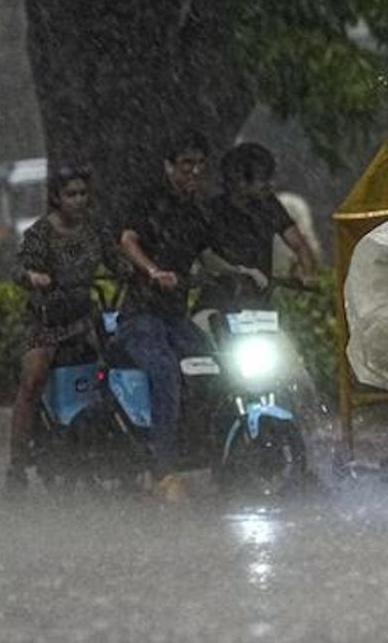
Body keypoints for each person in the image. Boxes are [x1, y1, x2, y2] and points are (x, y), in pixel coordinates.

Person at [117, 130, 266, 502]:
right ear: (169, 167)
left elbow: (206, 255)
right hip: (141, 316)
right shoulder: (149, 201)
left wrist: (241, 272)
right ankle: (163, 470)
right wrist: (153, 271)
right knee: (165, 370)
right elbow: (127, 241)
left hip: (175, 317)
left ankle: (219, 457)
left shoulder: (197, 212)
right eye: (186, 165)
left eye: (200, 165)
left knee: (216, 365)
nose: (194, 172)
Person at [4, 165, 125, 495]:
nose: (78, 200)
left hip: (86, 318)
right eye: (71, 194)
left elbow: (118, 262)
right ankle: (16, 466)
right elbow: (20, 267)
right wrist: (33, 277)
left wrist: (140, 272)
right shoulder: (41, 233)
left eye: (83, 194)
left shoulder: (95, 230)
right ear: (56, 198)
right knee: (32, 379)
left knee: (120, 366)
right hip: (47, 322)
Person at [196, 142, 319, 317]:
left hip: (259, 304)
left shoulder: (269, 205)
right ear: (239, 181)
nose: (270, 184)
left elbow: (298, 243)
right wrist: (240, 272)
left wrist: (306, 272)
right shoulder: (212, 211)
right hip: (218, 303)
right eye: (263, 179)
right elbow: (207, 258)